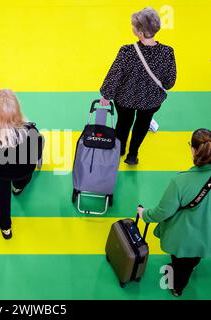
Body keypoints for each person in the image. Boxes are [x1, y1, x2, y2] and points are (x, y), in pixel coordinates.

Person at [138, 129, 211, 297]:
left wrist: (145, 214)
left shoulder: (180, 182)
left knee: (180, 266)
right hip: (206, 237)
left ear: (193, 149)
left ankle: (177, 287)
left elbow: (162, 212)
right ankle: (193, 264)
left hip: (184, 239)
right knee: (193, 259)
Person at [100, 7, 177, 165]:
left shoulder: (127, 51)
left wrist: (106, 95)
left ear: (140, 32)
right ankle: (132, 155)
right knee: (142, 125)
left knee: (123, 123)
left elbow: (115, 75)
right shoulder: (167, 52)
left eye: (133, 26)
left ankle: (119, 150)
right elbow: (169, 83)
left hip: (125, 99)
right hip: (150, 101)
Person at [0, 89, 44, 239]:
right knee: (23, 178)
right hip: (22, 170)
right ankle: (18, 188)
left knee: (0, 199)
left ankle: (5, 228)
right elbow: (36, 149)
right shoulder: (29, 131)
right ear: (17, 110)